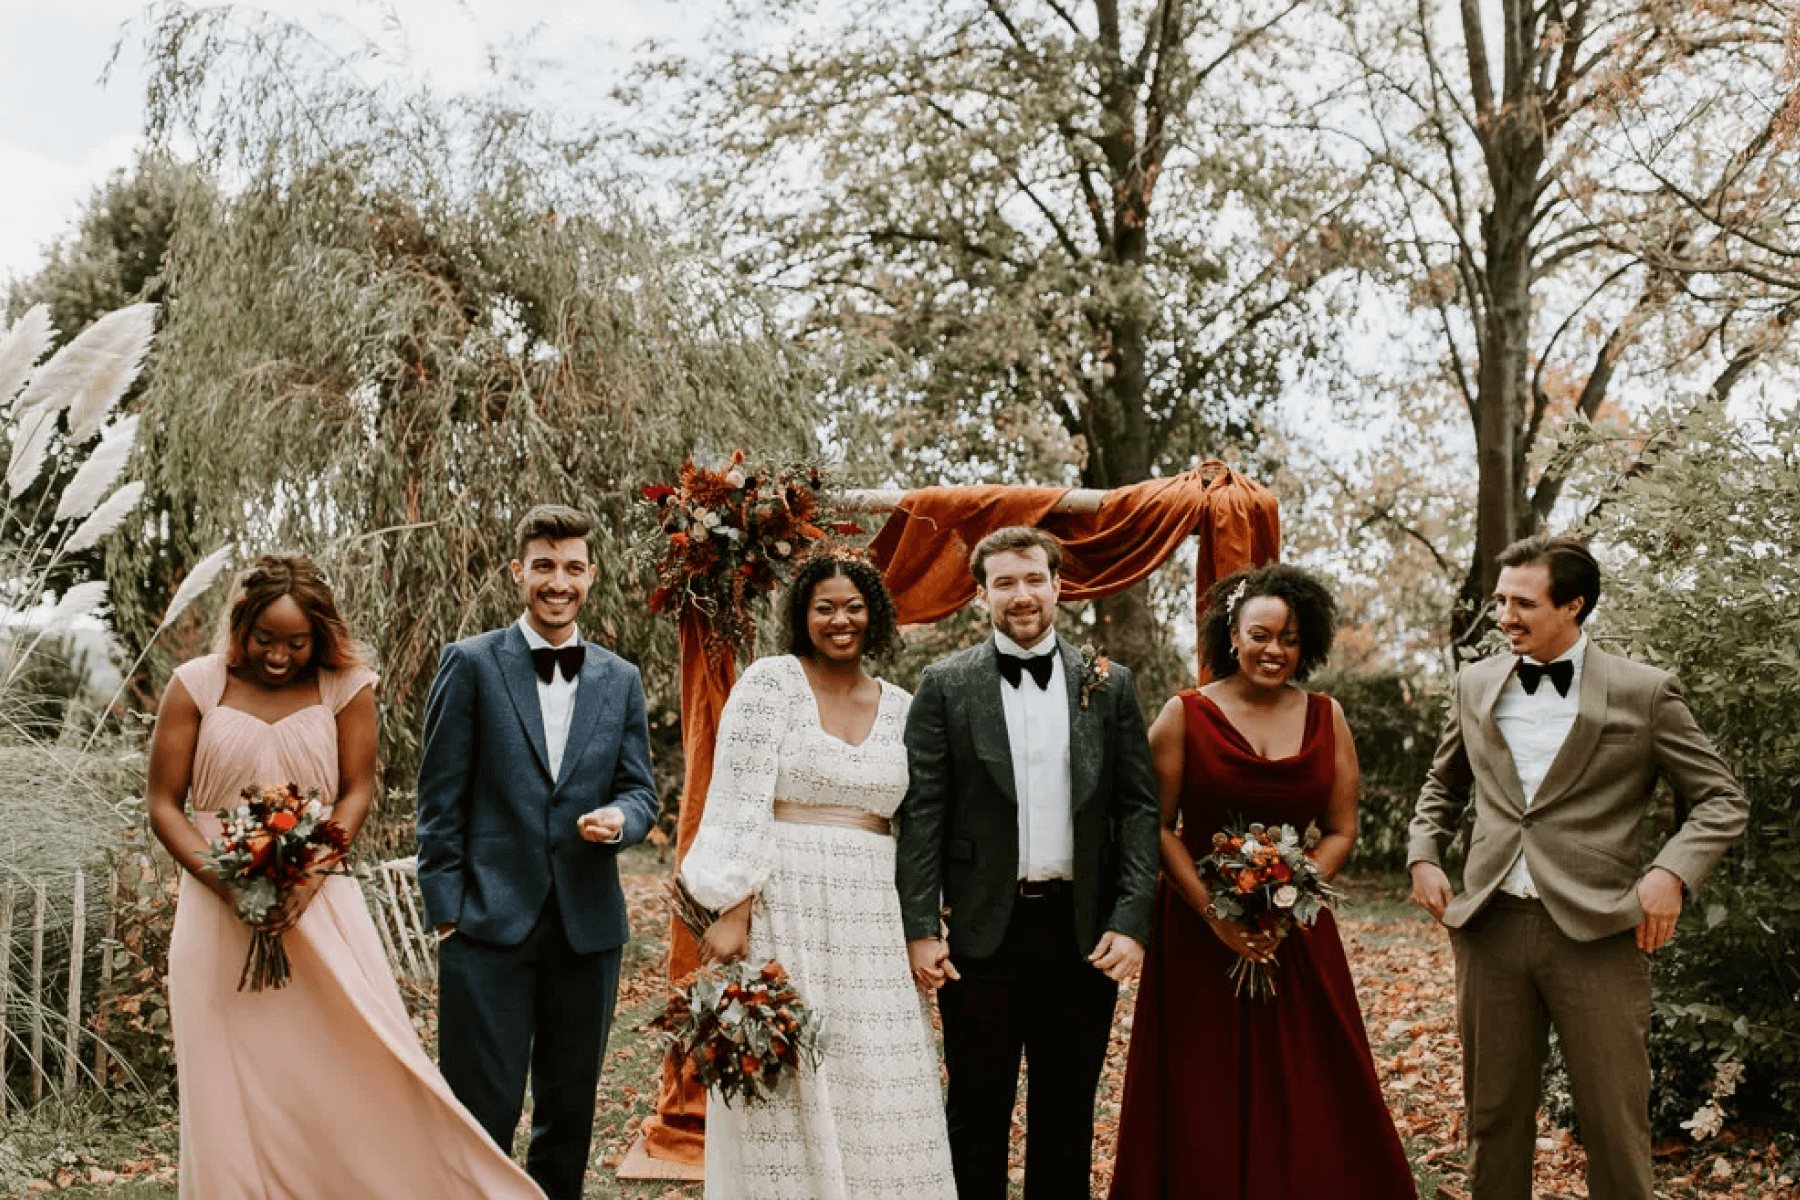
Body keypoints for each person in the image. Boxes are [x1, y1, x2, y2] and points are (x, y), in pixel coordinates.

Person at [146, 553, 543, 1198]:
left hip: (321, 895)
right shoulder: (195, 684)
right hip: (214, 903)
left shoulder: (347, 686)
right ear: (240, 625)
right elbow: (164, 805)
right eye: (264, 639)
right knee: (227, 1082)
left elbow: (358, 793)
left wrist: (307, 877)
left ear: (320, 634)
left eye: (297, 641)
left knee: (354, 1060)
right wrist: (230, 883)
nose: (279, 655)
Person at [1409, 534, 1747, 1200]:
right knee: (1494, 1117)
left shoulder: (1644, 692)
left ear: (1575, 605)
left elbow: (1720, 798)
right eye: (1501, 599)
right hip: (1491, 927)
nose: (1504, 615)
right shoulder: (1475, 682)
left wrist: (1670, 872)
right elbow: (1440, 785)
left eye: (1523, 603)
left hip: (1598, 934)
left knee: (1614, 1123)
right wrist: (1424, 852)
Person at [1108, 563, 1414, 1199]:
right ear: (1233, 633)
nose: (1275, 649)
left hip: (1294, 932)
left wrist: (1291, 896)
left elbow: (1339, 829)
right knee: (1202, 1082)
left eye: (1291, 638)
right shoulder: (1182, 714)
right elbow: (1158, 827)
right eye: (1261, 634)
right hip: (1197, 933)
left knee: (1313, 1080)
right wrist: (1216, 916)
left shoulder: (1328, 717)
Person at [678, 552, 957, 1200]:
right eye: (825, 607)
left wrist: (923, 924)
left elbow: (917, 827)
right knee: (790, 1077)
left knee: (876, 1082)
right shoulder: (771, 683)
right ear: (803, 615)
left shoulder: (904, 707)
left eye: (854, 607)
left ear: (875, 615)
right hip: (785, 905)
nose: (841, 619)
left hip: (873, 919)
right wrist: (734, 909)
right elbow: (738, 796)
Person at [897, 526, 1161, 1200]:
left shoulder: (1110, 685)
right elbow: (923, 813)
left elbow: (1137, 808)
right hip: (981, 934)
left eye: (1033, 579)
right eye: (1005, 582)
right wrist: (921, 927)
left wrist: (1131, 921)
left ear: (1057, 585)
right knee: (977, 1114)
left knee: (1067, 1116)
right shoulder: (944, 684)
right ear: (982, 594)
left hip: (1081, 935)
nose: (1022, 595)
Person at [415, 504, 659, 1200]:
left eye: (573, 568)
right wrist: (446, 915)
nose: (559, 581)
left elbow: (640, 791)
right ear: (518, 570)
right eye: (545, 566)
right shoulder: (469, 664)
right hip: (485, 923)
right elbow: (439, 798)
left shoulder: (621, 678)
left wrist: (621, 817)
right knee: (479, 1110)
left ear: (592, 575)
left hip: (587, 928)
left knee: (568, 1112)